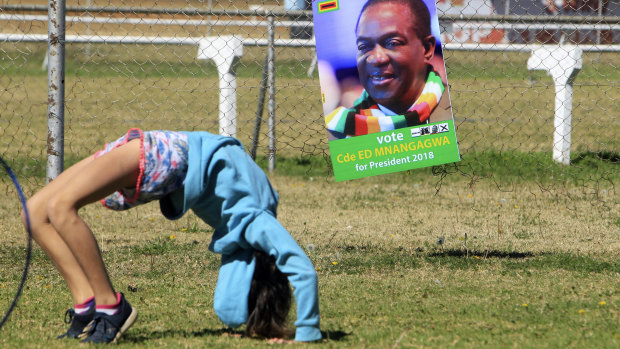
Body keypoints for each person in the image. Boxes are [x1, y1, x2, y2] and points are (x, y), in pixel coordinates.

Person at [22, 128, 321, 344]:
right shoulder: (259, 224)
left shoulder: (244, 229)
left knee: (53, 209)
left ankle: (107, 306)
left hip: (161, 148)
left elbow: (227, 307)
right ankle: (93, 305)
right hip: (165, 154)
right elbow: (304, 271)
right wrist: (308, 331)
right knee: (36, 213)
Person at [325, 0, 452, 140]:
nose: (376, 58)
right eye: (364, 47)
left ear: (427, 49)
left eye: (392, 43)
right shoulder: (336, 131)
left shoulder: (456, 114)